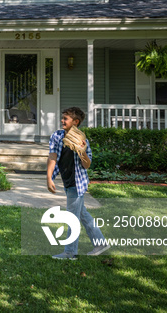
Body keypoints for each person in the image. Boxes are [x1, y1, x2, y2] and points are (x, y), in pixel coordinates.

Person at [47, 107, 110, 259]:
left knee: (72, 217)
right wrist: (49, 177)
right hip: (68, 181)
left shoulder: (82, 140)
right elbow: (52, 156)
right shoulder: (57, 136)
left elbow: (87, 165)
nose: (62, 120)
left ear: (75, 122)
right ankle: (100, 243)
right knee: (82, 214)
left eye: (65, 119)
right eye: (62, 118)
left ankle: (70, 252)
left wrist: (81, 151)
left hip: (77, 182)